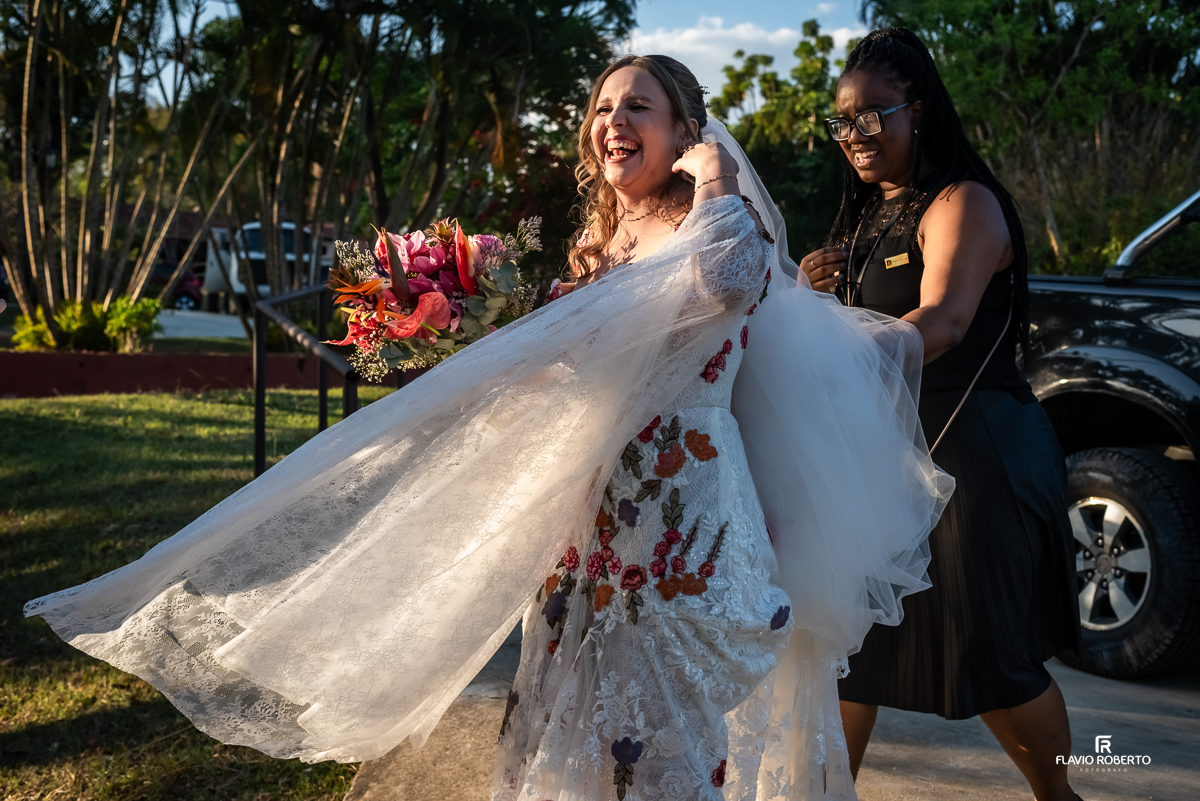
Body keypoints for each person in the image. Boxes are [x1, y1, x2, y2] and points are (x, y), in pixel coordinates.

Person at [27, 54, 947, 801]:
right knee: (569, 744)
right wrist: (456, 342)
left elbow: (728, 282)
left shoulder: (719, 221)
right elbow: (566, 381)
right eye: (601, 107)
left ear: (683, 130)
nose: (613, 120)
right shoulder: (596, 252)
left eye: (640, 106)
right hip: (584, 535)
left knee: (661, 751)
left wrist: (712, 170)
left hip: (681, 537)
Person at [800, 28, 1083, 801]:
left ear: (917, 111)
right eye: (842, 122)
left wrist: (822, 356)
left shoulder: (965, 202)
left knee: (995, 661)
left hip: (975, 455)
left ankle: (1062, 798)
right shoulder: (862, 219)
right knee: (850, 650)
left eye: (872, 116)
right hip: (888, 461)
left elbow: (945, 321)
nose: (854, 136)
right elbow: (852, 329)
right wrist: (809, 299)